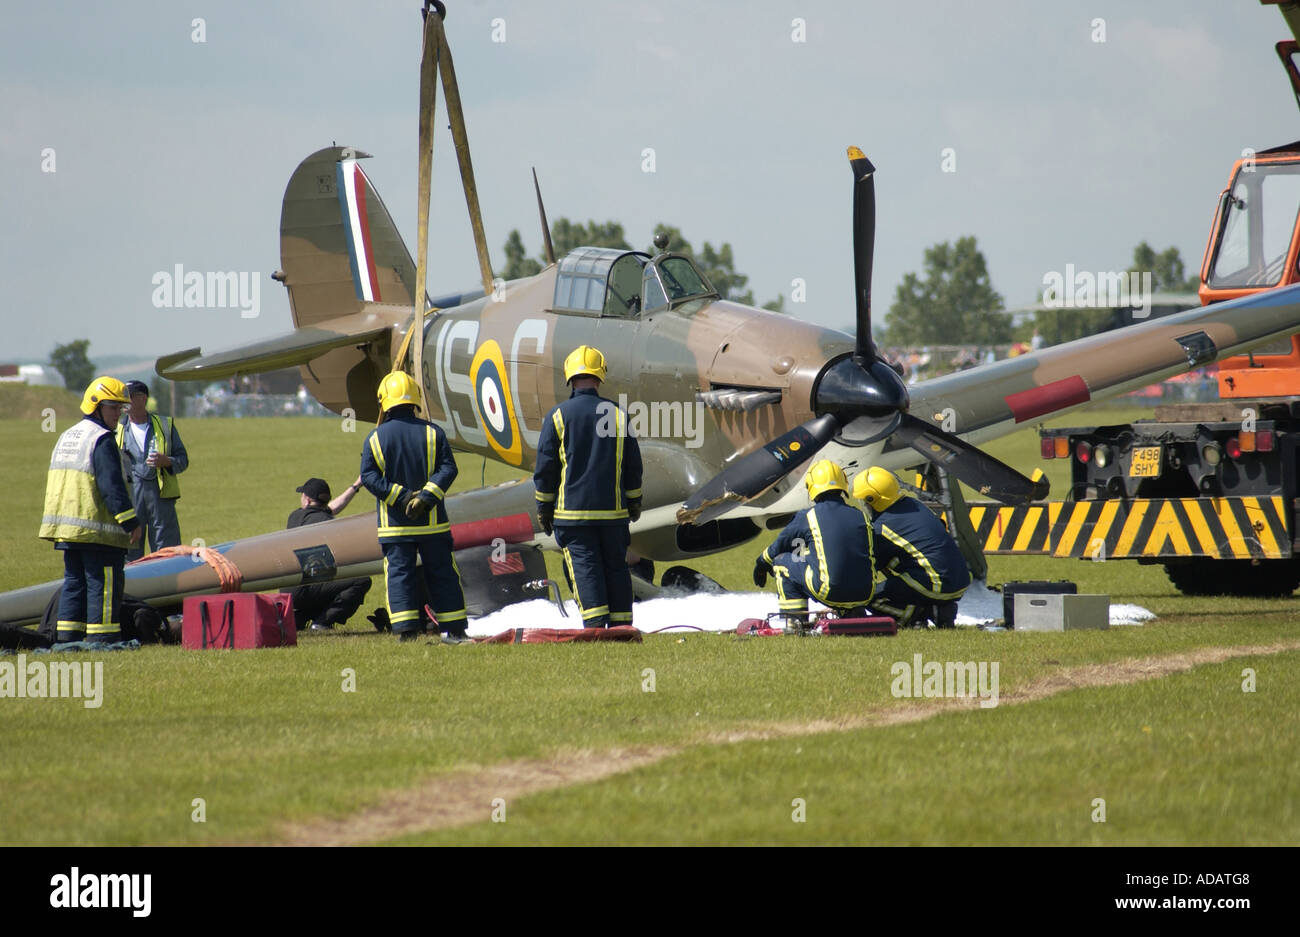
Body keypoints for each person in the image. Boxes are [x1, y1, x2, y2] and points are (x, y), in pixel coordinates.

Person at [533, 345, 642, 629]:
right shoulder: (618, 415)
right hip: (614, 516)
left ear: (569, 376)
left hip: (573, 516)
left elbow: (546, 468)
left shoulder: (557, 416)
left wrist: (544, 508)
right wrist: (633, 502)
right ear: (600, 374)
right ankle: (622, 629)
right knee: (616, 568)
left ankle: (595, 628)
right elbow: (633, 466)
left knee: (586, 568)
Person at [360, 371, 468, 643]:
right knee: (442, 573)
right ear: (414, 400)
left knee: (399, 576)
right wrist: (426, 498)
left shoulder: (375, 438)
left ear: (384, 401)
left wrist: (401, 497)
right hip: (432, 523)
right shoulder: (434, 433)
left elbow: (369, 478)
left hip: (395, 525)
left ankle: (406, 632)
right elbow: (448, 469)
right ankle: (454, 629)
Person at [39, 376, 142, 643]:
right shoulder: (102, 439)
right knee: (104, 585)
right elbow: (111, 486)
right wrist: (130, 522)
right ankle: (103, 640)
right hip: (97, 531)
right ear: (95, 406)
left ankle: (67, 638)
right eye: (113, 408)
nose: (118, 414)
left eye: (121, 408)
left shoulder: (68, 435)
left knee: (74, 583)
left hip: (67, 530)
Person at [753, 460, 875, 626]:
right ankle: (854, 612)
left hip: (829, 591)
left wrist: (761, 562)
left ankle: (796, 622)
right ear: (843, 484)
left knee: (782, 561)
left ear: (811, 487)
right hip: (865, 593)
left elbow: (780, 545)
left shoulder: (808, 516)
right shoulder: (860, 516)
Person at [853, 466, 971, 627]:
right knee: (899, 566)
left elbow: (869, 565)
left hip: (938, 583)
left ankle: (922, 614)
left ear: (873, 500)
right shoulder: (914, 504)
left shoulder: (883, 528)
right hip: (961, 579)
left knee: (866, 596)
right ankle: (940, 607)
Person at [285, 476, 371, 631]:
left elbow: (332, 509)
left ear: (307, 500)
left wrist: (356, 485)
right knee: (361, 580)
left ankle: (300, 618)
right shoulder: (327, 522)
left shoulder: (295, 516)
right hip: (306, 589)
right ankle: (323, 622)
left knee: (327, 580)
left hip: (288, 589)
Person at [115, 380, 188, 560]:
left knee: (168, 553)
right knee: (129, 552)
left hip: (161, 500)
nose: (125, 402)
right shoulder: (116, 430)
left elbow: (183, 460)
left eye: (129, 397)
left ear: (143, 398)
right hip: (131, 500)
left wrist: (167, 461)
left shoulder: (165, 425)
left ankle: (170, 586)